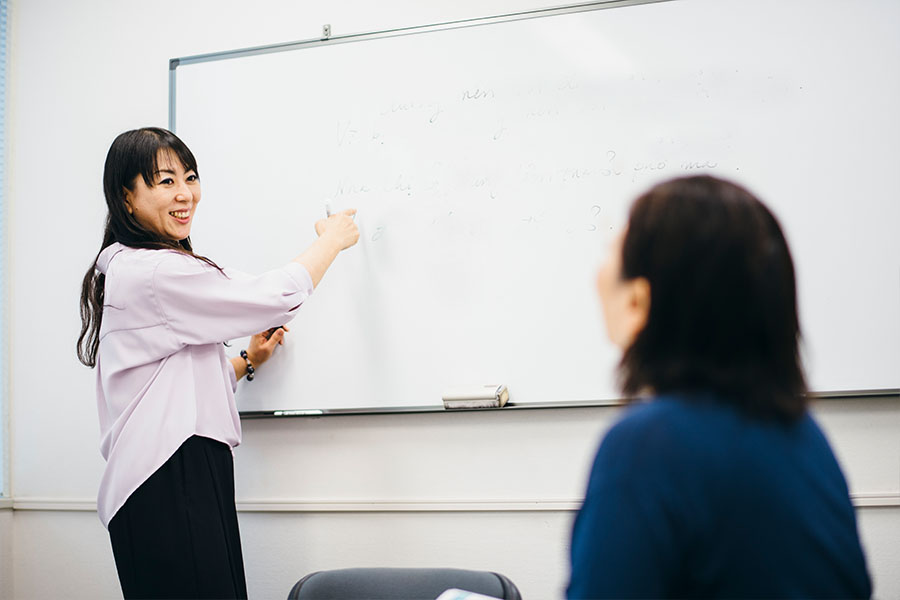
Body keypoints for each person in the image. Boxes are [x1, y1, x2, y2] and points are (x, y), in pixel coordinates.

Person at [77, 127, 359, 599]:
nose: (185, 194)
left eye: (190, 177)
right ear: (127, 197)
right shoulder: (155, 271)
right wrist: (332, 239)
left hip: (166, 477)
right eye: (165, 181)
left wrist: (246, 360)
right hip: (171, 476)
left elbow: (168, 387)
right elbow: (275, 296)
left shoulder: (131, 266)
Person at [567, 175, 871, 599]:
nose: (596, 275)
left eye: (610, 252)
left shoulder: (646, 446)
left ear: (639, 300)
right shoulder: (805, 437)